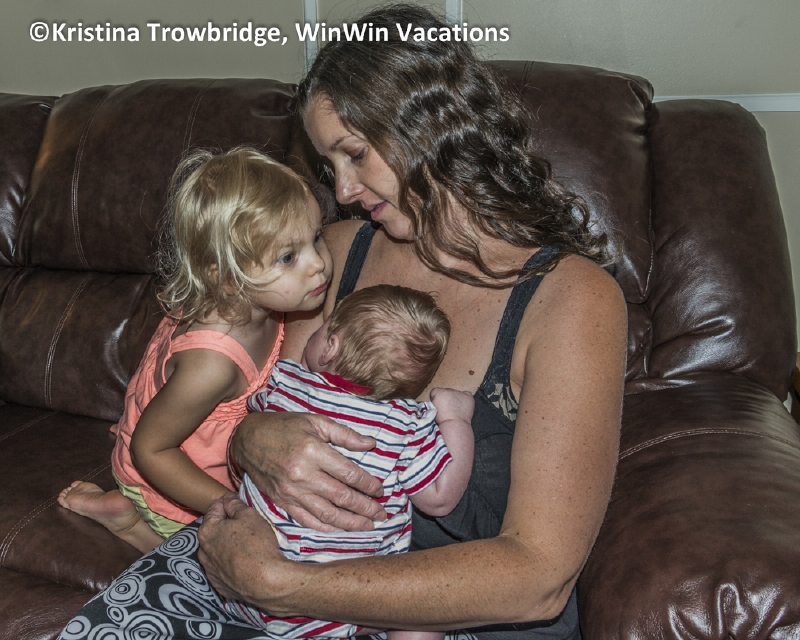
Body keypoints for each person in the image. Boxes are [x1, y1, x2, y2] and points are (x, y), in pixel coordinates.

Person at [59, 5, 627, 640]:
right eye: (330, 167)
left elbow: (538, 577)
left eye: (355, 154)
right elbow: (259, 410)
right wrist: (250, 441)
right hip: (271, 574)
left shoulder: (572, 299)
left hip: (445, 617)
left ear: (432, 126)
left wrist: (283, 585)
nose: (345, 189)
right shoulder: (333, 255)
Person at [57, 147, 332, 553]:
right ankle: (129, 522)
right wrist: (234, 506)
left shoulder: (254, 298)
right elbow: (151, 449)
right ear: (227, 278)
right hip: (164, 484)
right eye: (288, 257)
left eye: (317, 237)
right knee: (211, 558)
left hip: (164, 431)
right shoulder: (213, 363)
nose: (317, 264)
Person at [227, 284, 475, 640]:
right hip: (339, 600)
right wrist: (455, 419)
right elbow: (440, 499)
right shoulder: (405, 424)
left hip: (242, 584)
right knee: (421, 615)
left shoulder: (286, 383)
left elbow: (253, 423)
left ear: (331, 346)